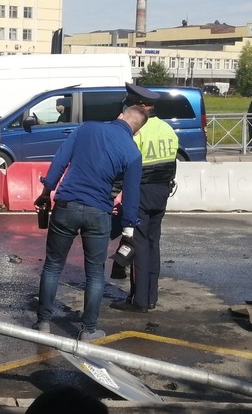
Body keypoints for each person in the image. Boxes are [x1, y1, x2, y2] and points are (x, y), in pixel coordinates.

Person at [32, 97, 148, 342]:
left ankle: (43, 322)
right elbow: (132, 195)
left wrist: (46, 192)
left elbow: (60, 161)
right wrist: (128, 229)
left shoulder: (86, 128)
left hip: (66, 206)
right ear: (136, 130)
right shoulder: (133, 152)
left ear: (120, 115)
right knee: (95, 274)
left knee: (53, 266)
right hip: (99, 212)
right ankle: (88, 330)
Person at [110, 92, 178, 314]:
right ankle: (150, 297)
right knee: (152, 244)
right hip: (162, 193)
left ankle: (138, 300)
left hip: (140, 193)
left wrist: (115, 193)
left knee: (138, 245)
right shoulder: (168, 130)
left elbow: (126, 164)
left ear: (139, 106)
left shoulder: (138, 131)